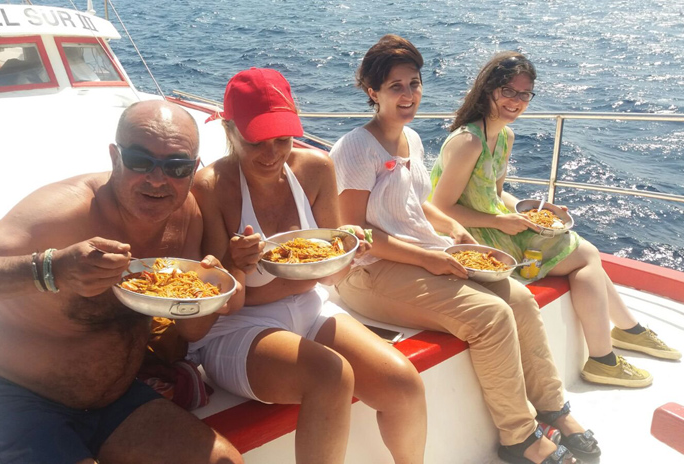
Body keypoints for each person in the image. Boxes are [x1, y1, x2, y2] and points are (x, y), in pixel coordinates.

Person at [0, 100, 243, 464]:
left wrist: (213, 285)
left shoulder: (185, 215)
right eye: (140, 161)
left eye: (176, 166)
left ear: (193, 169)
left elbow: (192, 331)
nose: (158, 179)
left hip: (114, 403)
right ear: (115, 157)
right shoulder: (63, 213)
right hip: (13, 400)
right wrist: (51, 270)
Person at [330, 35, 596, 464]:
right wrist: (430, 258)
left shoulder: (411, 140)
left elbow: (416, 207)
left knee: (521, 300)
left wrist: (455, 230)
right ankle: (519, 437)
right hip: (370, 271)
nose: (408, 95)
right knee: (490, 316)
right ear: (372, 91)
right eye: (396, 86)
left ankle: (552, 406)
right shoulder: (354, 149)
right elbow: (355, 234)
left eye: (414, 84)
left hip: (422, 254)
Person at [190, 67, 427, 464]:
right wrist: (235, 265)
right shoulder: (210, 187)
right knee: (330, 377)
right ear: (229, 131)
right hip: (236, 327)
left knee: (403, 384)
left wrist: (351, 248)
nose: (272, 154)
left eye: (283, 139)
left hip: (310, 308)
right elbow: (229, 303)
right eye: (256, 142)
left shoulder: (316, 169)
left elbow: (331, 273)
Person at [428, 51, 680, 390]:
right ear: (488, 89)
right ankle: (613, 347)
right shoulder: (469, 141)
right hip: (471, 236)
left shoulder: (503, 136)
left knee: (584, 255)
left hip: (493, 223)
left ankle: (622, 336)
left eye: (523, 94)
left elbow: (494, 193)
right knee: (587, 255)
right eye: (508, 91)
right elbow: (441, 207)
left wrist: (535, 210)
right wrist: (502, 223)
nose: (516, 101)